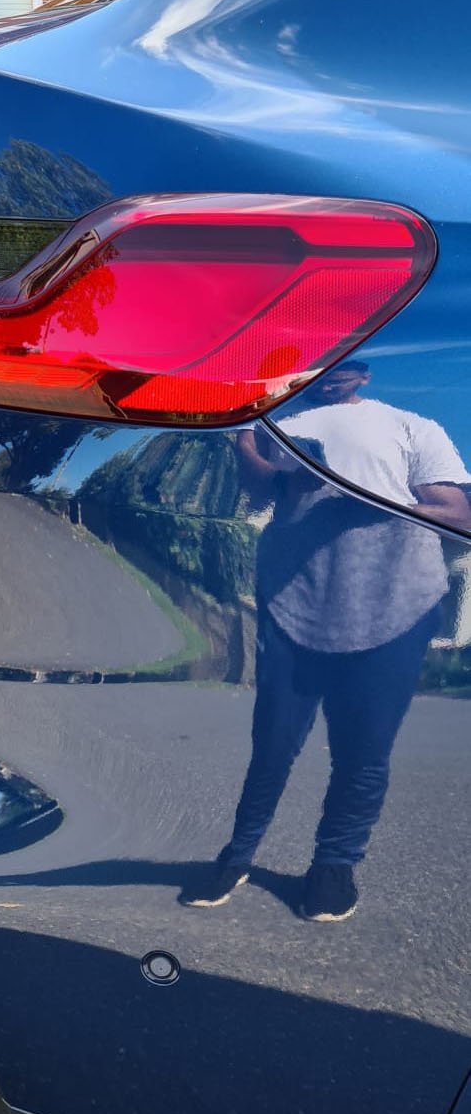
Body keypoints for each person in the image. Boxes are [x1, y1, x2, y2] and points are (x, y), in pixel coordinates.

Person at [183, 360, 471, 921]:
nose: (336, 373)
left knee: (363, 754)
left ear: (366, 375)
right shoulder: (275, 420)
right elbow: (254, 489)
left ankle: (334, 867)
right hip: (297, 600)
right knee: (272, 744)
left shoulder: (412, 426)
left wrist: (375, 504)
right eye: (323, 363)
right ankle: (237, 856)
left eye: (352, 364)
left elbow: (456, 513)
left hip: (397, 601)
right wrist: (257, 430)